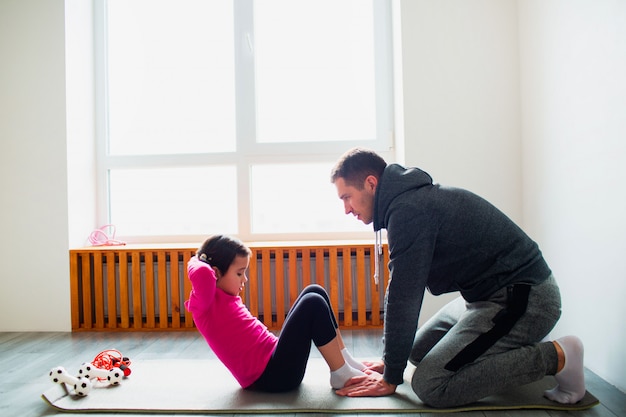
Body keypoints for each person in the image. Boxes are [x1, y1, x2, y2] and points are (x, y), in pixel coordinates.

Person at [329, 147, 585, 408]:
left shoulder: (409, 210)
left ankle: (559, 356)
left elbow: (403, 296)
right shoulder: (407, 203)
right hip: (484, 298)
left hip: (527, 298)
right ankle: (507, 344)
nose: (346, 209)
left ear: (371, 183)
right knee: (415, 352)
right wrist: (391, 360)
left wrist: (390, 377)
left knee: (430, 385)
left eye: (347, 197)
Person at [184, 234, 366, 392]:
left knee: (315, 291)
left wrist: (205, 258)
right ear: (215, 273)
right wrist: (199, 258)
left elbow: (206, 273)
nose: (244, 279)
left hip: (275, 359)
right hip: (272, 377)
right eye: (239, 273)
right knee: (313, 303)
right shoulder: (204, 304)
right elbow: (201, 273)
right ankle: (341, 374)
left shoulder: (222, 295)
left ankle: (345, 361)